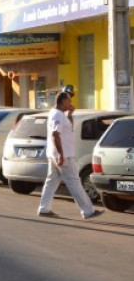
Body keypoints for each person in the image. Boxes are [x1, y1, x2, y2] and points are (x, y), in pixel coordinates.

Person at [37, 90, 103, 219]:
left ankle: (44, 209)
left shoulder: (59, 114)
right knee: (74, 182)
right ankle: (88, 211)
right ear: (62, 102)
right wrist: (61, 155)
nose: (71, 103)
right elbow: (55, 134)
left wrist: (70, 114)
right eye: (69, 101)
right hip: (64, 155)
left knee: (51, 182)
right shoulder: (58, 115)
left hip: (55, 154)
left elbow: (68, 128)